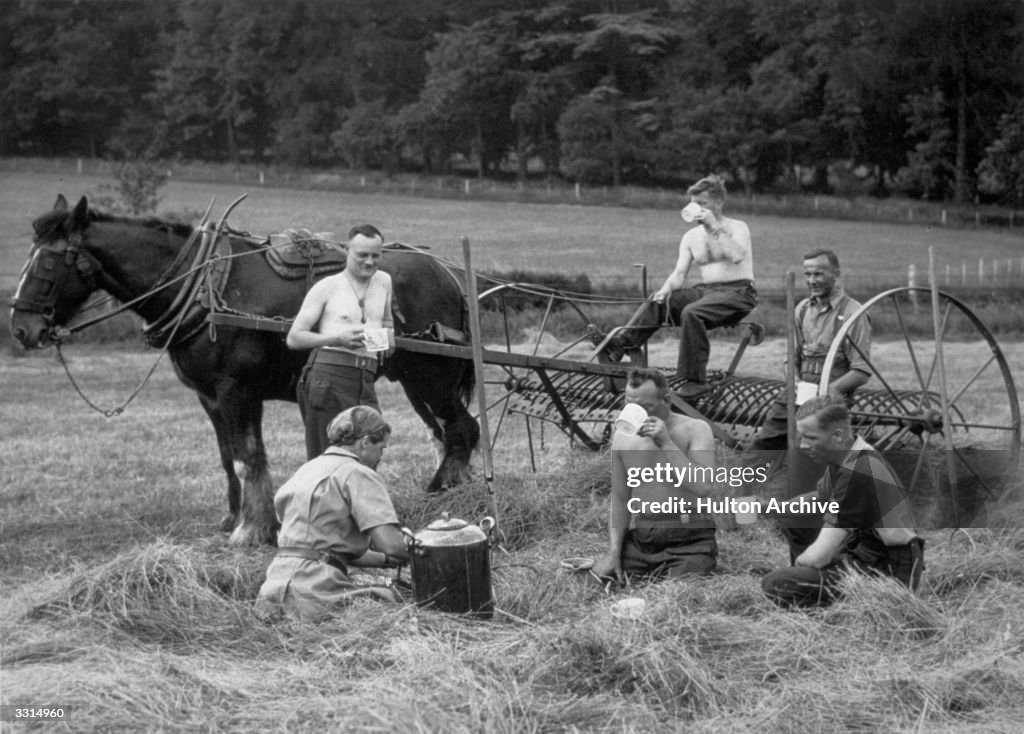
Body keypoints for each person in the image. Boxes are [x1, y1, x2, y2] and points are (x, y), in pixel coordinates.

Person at [761, 396, 925, 608]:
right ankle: (814, 585)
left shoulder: (856, 473)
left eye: (810, 438)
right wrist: (769, 508)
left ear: (837, 436)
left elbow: (820, 556)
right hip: (867, 552)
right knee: (793, 519)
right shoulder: (851, 454)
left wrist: (800, 568)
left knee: (776, 583)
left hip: (889, 570)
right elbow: (819, 499)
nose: (803, 445)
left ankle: (818, 603)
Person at [256, 406, 410, 622]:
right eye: (381, 448)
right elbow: (391, 544)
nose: (380, 457)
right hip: (315, 594)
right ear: (365, 442)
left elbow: (321, 550)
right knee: (394, 602)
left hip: (271, 595)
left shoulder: (308, 469)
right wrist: (422, 550)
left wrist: (385, 561)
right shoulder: (358, 473)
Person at [592, 367, 718, 583]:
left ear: (666, 400)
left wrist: (666, 442)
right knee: (599, 580)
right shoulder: (622, 437)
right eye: (629, 404)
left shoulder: (695, 429)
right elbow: (621, 499)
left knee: (678, 596)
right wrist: (613, 552)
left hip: (689, 540)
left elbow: (703, 487)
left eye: (644, 407)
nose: (635, 413)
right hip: (644, 539)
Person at [288, 224, 394, 460]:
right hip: (328, 376)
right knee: (327, 456)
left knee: (371, 449)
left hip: (365, 378)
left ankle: (357, 497)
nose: (369, 262)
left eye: (375, 255)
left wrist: (389, 335)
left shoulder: (384, 281)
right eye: (362, 255)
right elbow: (294, 337)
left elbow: (386, 319)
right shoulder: (327, 287)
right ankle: (320, 497)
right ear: (348, 251)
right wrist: (338, 339)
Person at [748, 249, 870, 452]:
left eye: (819, 274)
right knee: (766, 444)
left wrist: (824, 393)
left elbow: (861, 372)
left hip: (831, 397)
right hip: (799, 391)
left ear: (836, 274)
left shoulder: (853, 313)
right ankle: (741, 481)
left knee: (807, 449)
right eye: (808, 274)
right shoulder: (803, 309)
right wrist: (794, 383)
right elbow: (791, 357)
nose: (812, 280)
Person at [652, 174, 757, 399]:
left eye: (702, 203)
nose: (695, 208)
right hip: (708, 291)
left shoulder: (738, 227)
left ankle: (695, 382)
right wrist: (665, 289)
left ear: (718, 203)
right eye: (692, 203)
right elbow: (679, 274)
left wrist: (714, 227)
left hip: (738, 292)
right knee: (659, 301)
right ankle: (620, 344)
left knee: (693, 312)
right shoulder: (690, 237)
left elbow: (737, 255)